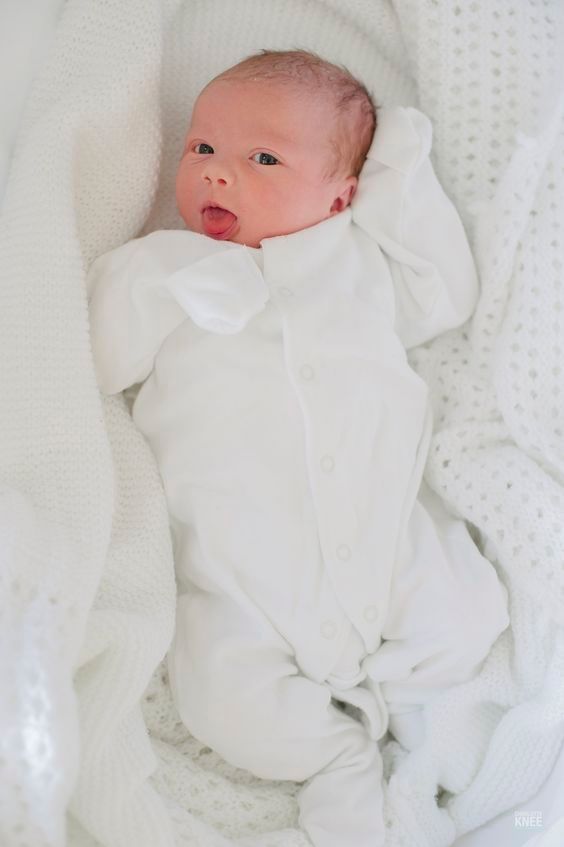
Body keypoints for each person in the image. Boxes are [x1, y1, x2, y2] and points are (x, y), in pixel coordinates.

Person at [87, 48, 510, 847]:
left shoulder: (359, 263)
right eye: (202, 148)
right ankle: (337, 759)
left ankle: (410, 718)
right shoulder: (169, 268)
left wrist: (399, 168)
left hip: (385, 542)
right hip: (240, 582)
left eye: (264, 159)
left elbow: (446, 294)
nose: (217, 172)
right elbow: (101, 358)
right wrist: (162, 285)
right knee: (219, 697)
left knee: (467, 615)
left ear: (341, 194)